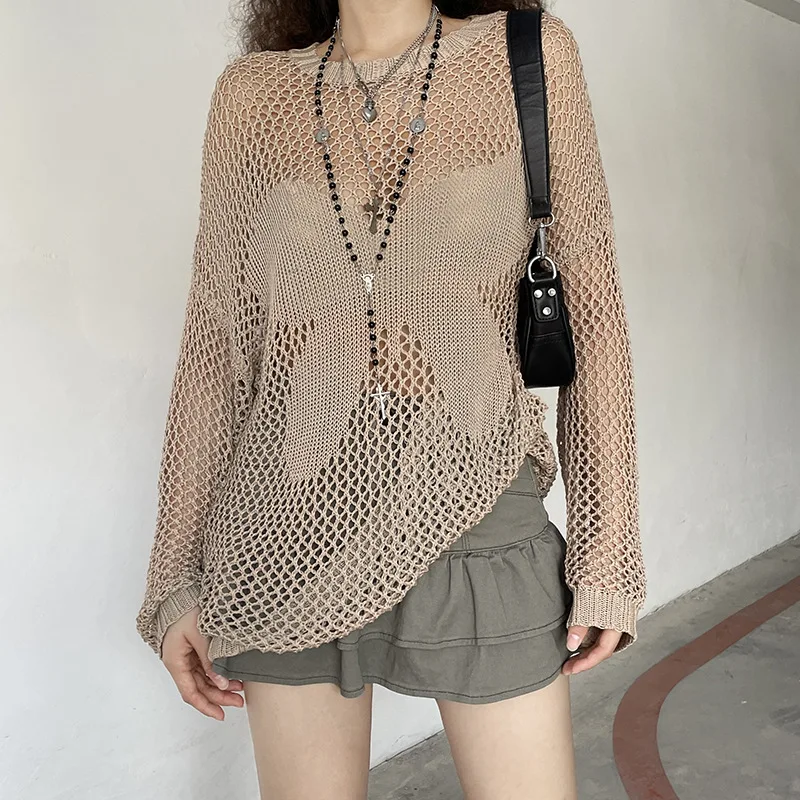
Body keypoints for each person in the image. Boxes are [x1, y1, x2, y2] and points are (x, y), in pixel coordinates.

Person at [135, 1, 647, 797]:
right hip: (287, 523)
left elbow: (594, 316)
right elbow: (214, 350)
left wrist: (606, 551)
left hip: (477, 498)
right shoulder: (251, 97)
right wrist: (174, 577)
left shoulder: (528, 58)